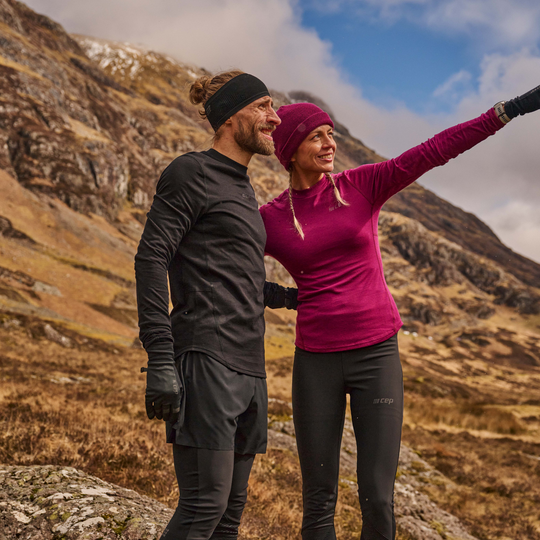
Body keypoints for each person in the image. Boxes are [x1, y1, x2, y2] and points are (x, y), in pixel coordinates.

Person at [260, 85, 540, 539]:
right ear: (291, 149)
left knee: (376, 494)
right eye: (317, 136)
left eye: (332, 133)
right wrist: (281, 297)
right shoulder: (270, 219)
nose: (331, 144)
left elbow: (433, 151)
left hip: (376, 356)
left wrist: (509, 111)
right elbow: (219, 264)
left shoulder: (362, 186)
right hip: (315, 360)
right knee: (317, 498)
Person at [135, 70, 297, 540]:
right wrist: (161, 359)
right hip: (205, 357)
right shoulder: (191, 172)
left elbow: (231, 277)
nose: (276, 116)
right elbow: (151, 259)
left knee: (228, 515)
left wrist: (290, 298)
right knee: (204, 505)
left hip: (250, 366)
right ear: (230, 116)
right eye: (264, 106)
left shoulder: (243, 187)